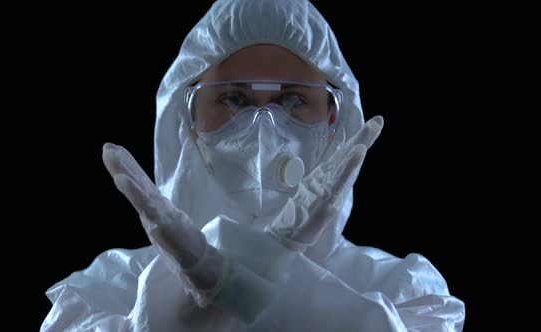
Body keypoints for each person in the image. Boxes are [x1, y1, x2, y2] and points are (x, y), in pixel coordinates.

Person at [42, 0, 465, 330]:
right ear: (185, 117)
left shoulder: (400, 289)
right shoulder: (106, 288)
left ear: (335, 119)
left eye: (292, 99)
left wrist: (229, 286)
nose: (264, 130)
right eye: (234, 99)